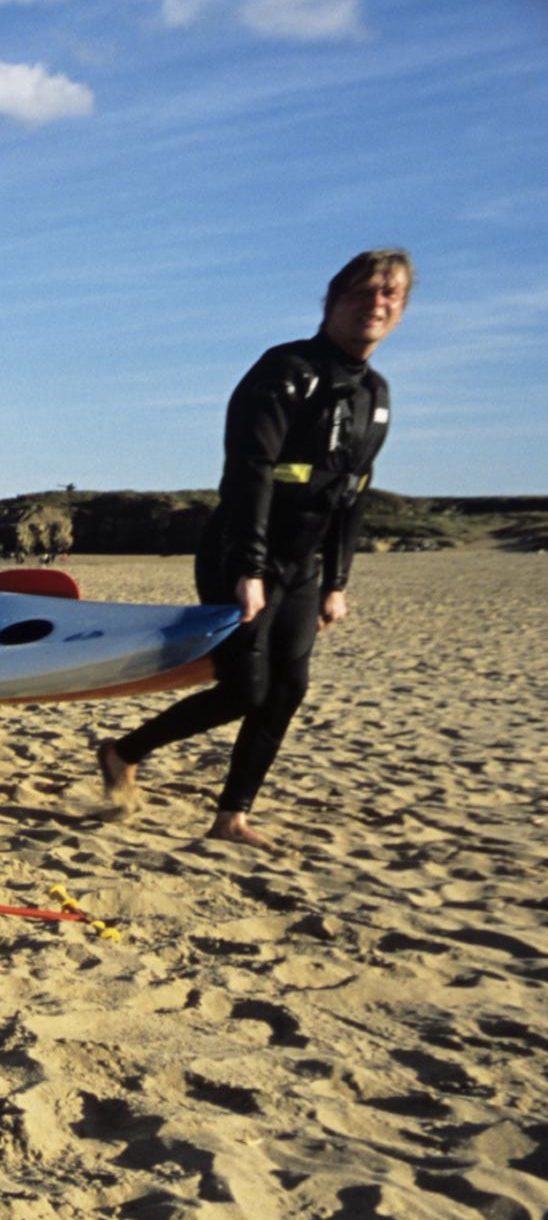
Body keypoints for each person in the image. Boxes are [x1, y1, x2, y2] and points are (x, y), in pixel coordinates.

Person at [99, 249, 410, 847]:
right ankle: (124, 750)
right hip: (242, 552)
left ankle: (231, 817)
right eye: (364, 292)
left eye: (391, 294)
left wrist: (338, 582)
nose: (377, 304)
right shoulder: (286, 368)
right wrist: (248, 568)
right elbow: (249, 470)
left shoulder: (376, 392)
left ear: (401, 310)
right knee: (245, 689)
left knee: (288, 689)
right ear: (332, 300)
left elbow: (356, 492)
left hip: (306, 565)